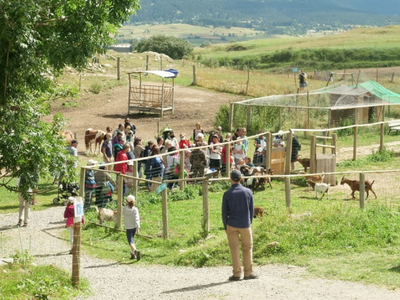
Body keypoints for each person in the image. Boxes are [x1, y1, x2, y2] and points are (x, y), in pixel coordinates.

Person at [222, 170, 257, 281]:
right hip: (245, 224)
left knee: (234, 249)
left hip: (232, 224)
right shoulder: (248, 192)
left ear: (231, 179)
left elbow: (224, 212)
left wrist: (225, 226)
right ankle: (248, 273)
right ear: (241, 179)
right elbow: (251, 210)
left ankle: (237, 274)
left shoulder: (227, 194)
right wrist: (249, 222)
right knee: (247, 248)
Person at [123, 195, 141, 260]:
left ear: (127, 201)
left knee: (130, 241)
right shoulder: (135, 209)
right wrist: (138, 227)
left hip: (128, 227)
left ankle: (135, 250)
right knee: (132, 239)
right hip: (134, 227)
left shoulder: (124, 209)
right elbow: (137, 218)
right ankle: (133, 254)